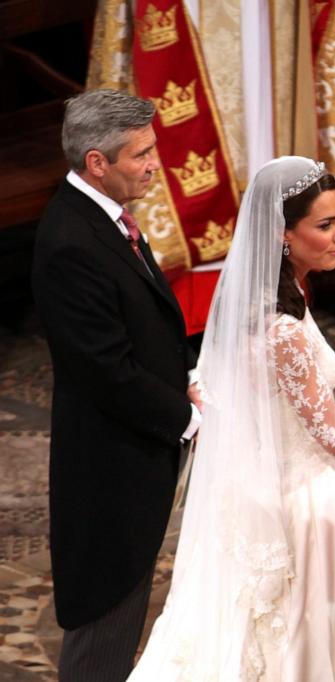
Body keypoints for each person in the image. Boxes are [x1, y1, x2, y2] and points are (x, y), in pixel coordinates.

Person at [128, 156, 335, 681]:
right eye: (325, 225)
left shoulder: (268, 300)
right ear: (284, 235)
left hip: (262, 489)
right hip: (303, 506)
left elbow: (217, 387)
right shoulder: (280, 328)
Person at [31, 89, 201, 681]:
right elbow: (105, 369)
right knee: (105, 617)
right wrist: (185, 416)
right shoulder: (71, 244)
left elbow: (142, 320)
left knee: (123, 611)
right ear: (97, 162)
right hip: (108, 466)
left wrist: (188, 376)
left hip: (134, 449)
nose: (156, 163)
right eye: (141, 154)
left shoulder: (102, 218)